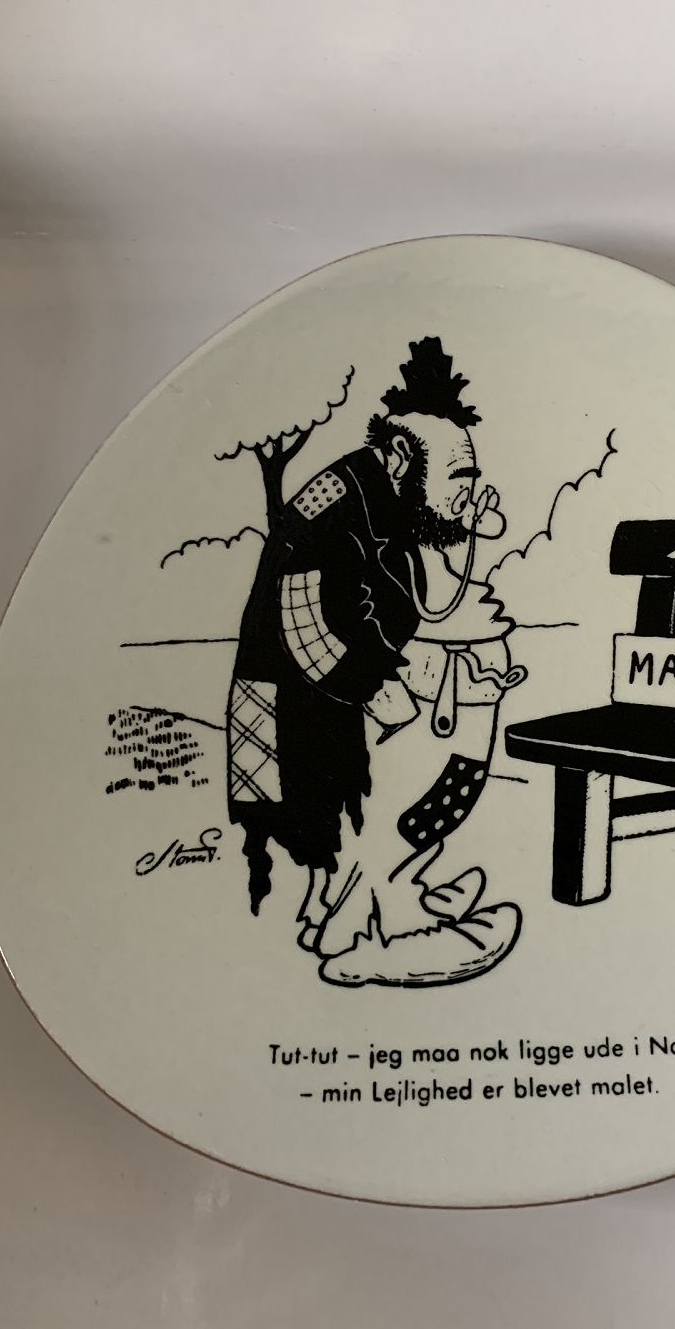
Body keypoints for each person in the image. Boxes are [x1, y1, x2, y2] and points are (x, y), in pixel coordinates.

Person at [227, 337, 523, 987]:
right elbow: (307, 610)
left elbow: (411, 562)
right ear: (399, 456)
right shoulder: (333, 509)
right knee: (365, 809)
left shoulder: (383, 492)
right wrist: (380, 686)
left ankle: (349, 905)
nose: (470, 490)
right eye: (460, 477)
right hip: (302, 700)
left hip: (324, 694)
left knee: (364, 811)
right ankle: (381, 926)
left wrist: (467, 529)